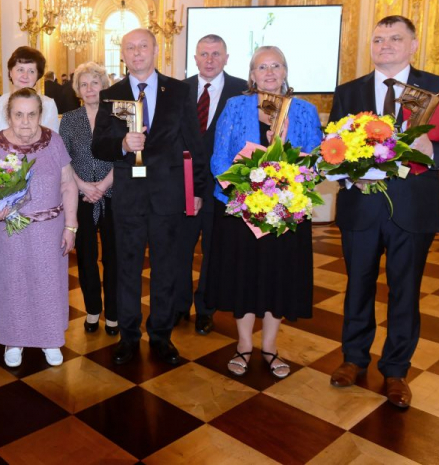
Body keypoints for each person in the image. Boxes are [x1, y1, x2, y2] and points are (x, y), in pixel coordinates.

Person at [328, 16, 439, 408]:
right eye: (378, 39)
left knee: (404, 293)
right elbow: (332, 149)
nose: (385, 45)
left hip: (413, 209)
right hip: (361, 206)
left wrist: (431, 151)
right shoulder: (349, 91)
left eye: (395, 38)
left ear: (413, 44)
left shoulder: (437, 89)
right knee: (357, 287)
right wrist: (346, 178)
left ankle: (395, 371)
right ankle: (353, 359)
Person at [92, 28, 207, 366]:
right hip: (128, 198)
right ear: (123, 54)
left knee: (166, 269)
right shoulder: (111, 94)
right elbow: (98, 145)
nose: (137, 52)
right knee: (126, 270)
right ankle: (129, 337)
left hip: (168, 195)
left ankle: (161, 335)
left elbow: (193, 145)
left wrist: (197, 189)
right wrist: (122, 145)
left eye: (144, 46)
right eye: (131, 47)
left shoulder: (180, 91)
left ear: (157, 50)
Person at [208, 46, 322, 379]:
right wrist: (247, 193)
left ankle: (270, 347)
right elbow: (219, 158)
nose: (269, 72)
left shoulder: (304, 110)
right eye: (261, 67)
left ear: (285, 71)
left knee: (278, 279)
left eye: (275, 66)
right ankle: (244, 345)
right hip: (243, 210)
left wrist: (286, 153)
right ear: (252, 75)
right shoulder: (235, 106)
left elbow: (314, 161)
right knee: (243, 279)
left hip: (286, 214)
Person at [0, 88, 77, 368]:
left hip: (49, 230)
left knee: (48, 284)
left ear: (40, 115)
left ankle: (50, 339)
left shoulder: (54, 141)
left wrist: (71, 226)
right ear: (8, 116)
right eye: (18, 114)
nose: (25, 121)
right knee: (12, 284)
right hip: (6, 232)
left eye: (31, 114)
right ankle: (14, 339)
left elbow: (68, 184)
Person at [176, 34, 247, 335]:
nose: (209, 60)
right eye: (203, 54)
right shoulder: (180, 90)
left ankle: (206, 308)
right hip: (184, 184)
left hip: (222, 187)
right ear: (195, 58)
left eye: (216, 54)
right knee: (179, 249)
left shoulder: (242, 90)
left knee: (213, 250)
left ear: (226, 57)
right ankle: (179, 306)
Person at [59, 62, 118, 336]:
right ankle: (93, 310)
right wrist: (83, 186)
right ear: (78, 90)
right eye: (84, 84)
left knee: (114, 258)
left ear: (104, 85)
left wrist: (103, 185)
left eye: (95, 82)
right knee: (85, 257)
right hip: (80, 197)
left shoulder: (119, 114)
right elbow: (63, 159)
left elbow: (127, 156)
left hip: (114, 194)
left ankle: (114, 314)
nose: (90, 88)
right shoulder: (69, 119)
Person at [0, 46, 60, 137]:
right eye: (20, 70)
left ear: (38, 76)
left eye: (31, 71)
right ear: (11, 72)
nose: (25, 75)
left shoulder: (48, 105)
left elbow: (52, 142)